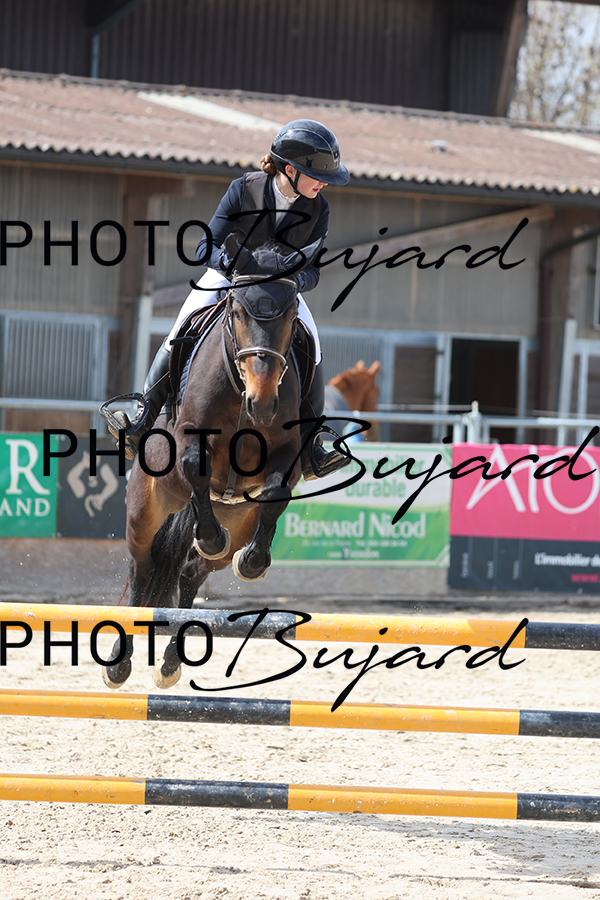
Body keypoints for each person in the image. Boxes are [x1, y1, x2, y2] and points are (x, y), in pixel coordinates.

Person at [104, 119, 351, 480]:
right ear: (289, 170)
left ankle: (312, 445)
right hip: (231, 278)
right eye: (317, 176)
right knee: (184, 323)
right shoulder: (244, 189)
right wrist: (233, 266)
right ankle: (144, 415)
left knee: (312, 342)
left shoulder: (319, 208)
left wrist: (294, 280)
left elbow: (313, 270)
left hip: (280, 289)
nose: (323, 183)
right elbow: (205, 246)